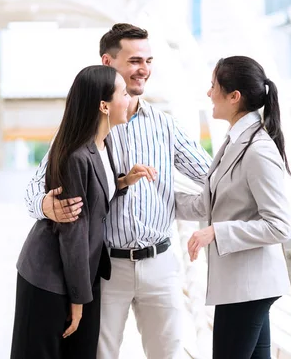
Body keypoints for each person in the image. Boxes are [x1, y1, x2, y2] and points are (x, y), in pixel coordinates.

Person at [24, 24, 211, 359]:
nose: (144, 69)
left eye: (149, 60)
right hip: (107, 267)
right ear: (108, 62)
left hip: (160, 263)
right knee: (101, 354)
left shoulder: (164, 124)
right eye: (135, 60)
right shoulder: (82, 130)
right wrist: (45, 205)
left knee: (168, 353)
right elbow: (34, 190)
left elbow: (209, 176)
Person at [11, 65, 155, 358]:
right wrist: (78, 303)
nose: (129, 100)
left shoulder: (104, 142)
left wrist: (124, 181)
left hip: (80, 275)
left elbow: (94, 194)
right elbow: (74, 231)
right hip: (49, 276)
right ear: (104, 105)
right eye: (123, 94)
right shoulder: (75, 155)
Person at [175, 56, 291, 359]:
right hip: (242, 287)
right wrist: (158, 197)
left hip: (249, 287)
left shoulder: (258, 149)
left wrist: (217, 232)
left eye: (214, 86)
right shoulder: (235, 142)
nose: (209, 93)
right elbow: (208, 204)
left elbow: (279, 225)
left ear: (234, 96)